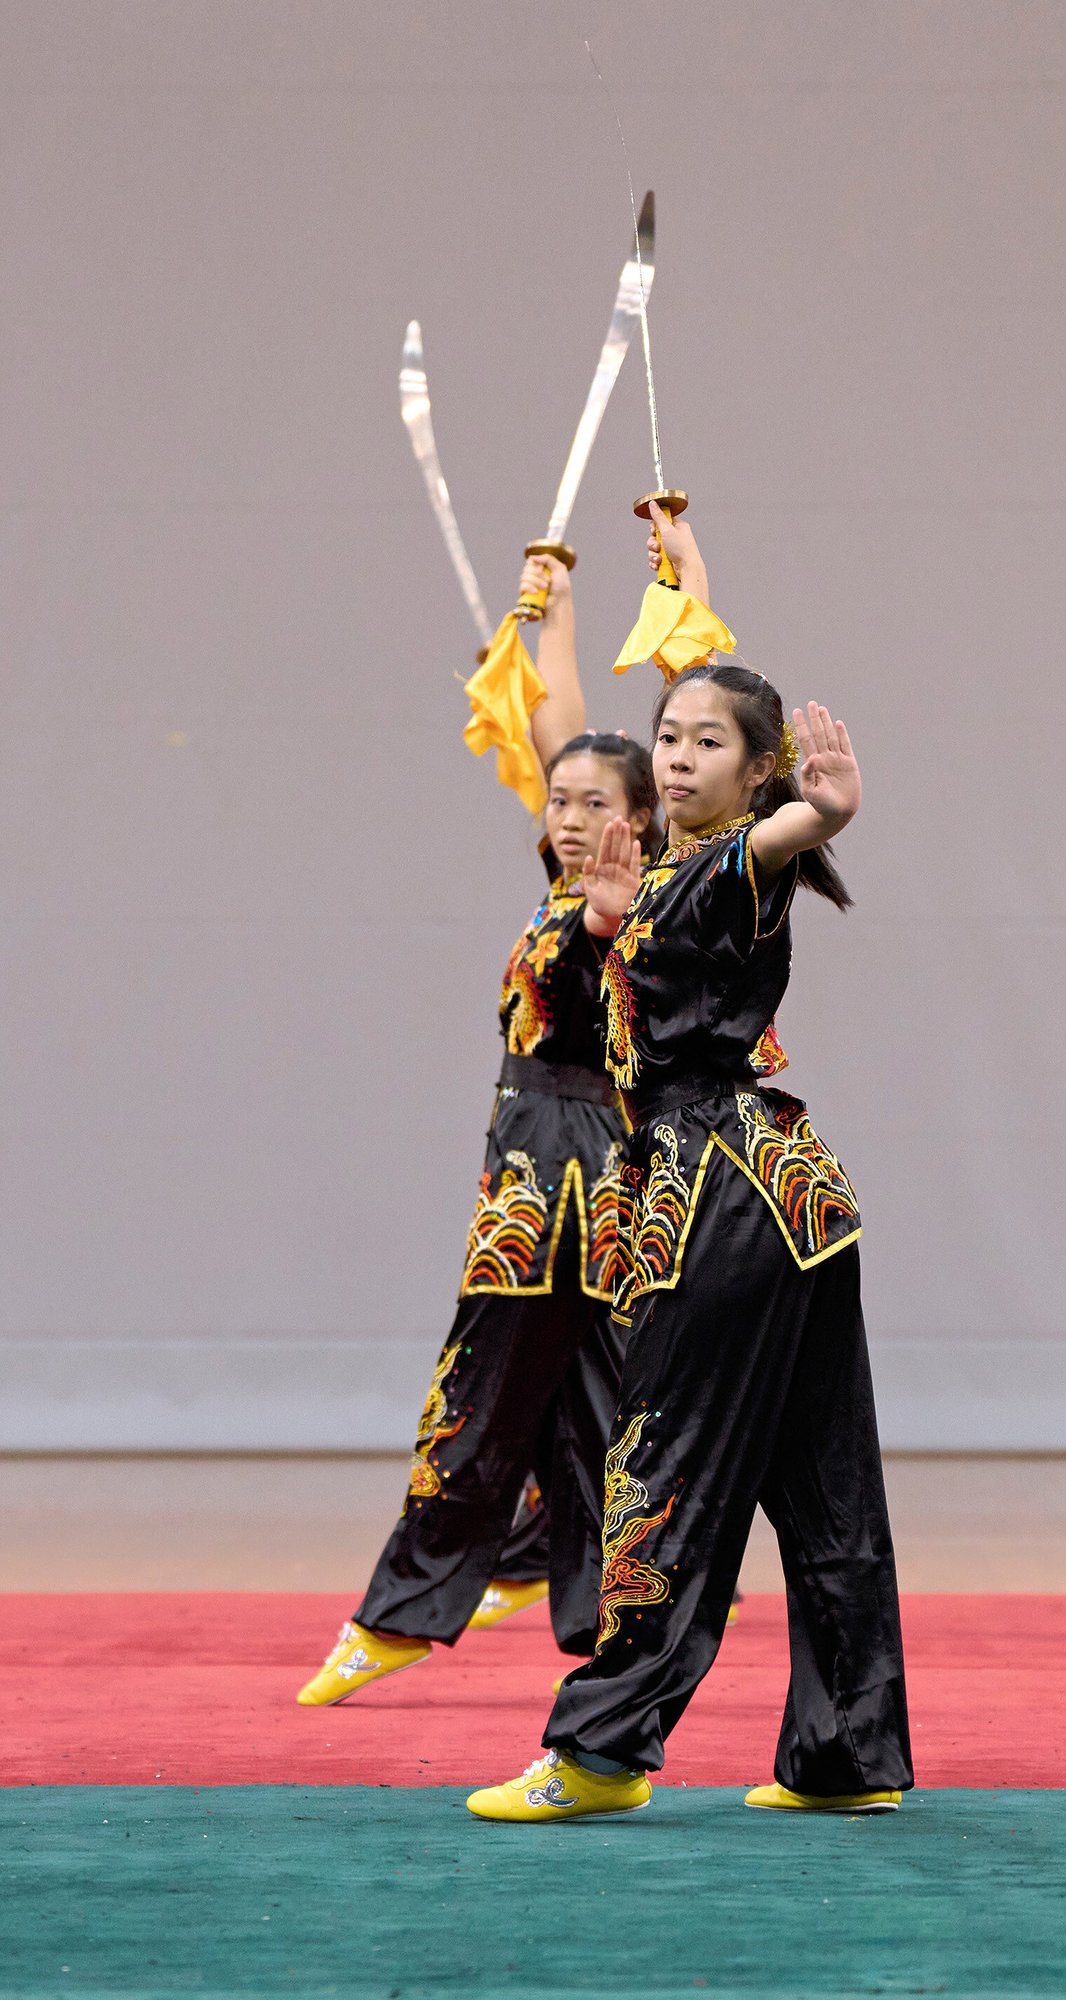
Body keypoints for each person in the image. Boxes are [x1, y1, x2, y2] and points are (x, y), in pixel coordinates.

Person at [467, 509, 912, 1817]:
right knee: (822, 1478)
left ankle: (601, 1754)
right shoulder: (649, 859)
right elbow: (577, 732)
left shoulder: (729, 865)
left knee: (660, 1456)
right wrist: (575, 603)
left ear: (757, 771)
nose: (671, 752)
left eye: (704, 743)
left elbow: (772, 838)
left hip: (710, 1195)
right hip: (790, 1195)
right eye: (665, 739)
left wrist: (815, 810)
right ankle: (846, 1760)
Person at [297, 553, 658, 1704]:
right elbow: (564, 734)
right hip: (546, 1161)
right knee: (575, 1397)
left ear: (643, 819)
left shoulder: (645, 898)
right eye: (559, 802)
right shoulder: (574, 877)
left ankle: (406, 1606)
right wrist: (552, 613)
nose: (566, 815)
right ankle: (577, 1600)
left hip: (571, 1172)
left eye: (596, 805)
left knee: (487, 1378)